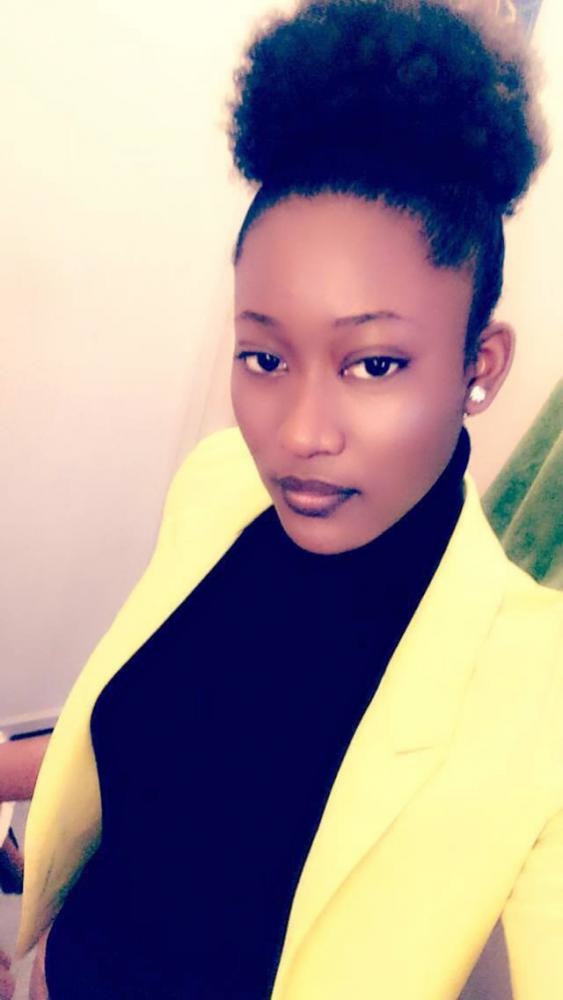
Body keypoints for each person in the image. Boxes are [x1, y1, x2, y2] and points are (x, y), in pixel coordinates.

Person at [14, 0, 563, 996]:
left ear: (477, 367)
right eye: (264, 356)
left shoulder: (536, 685)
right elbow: (164, 735)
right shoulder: (218, 488)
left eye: (373, 363)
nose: (298, 433)